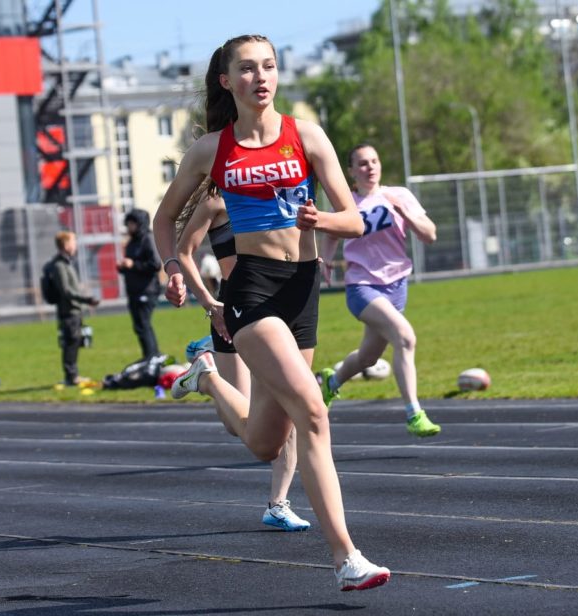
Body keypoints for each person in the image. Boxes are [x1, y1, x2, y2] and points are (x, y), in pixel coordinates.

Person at [152, 34, 389, 591]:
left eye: (270, 66)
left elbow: (353, 220)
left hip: (302, 287)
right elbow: (165, 220)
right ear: (226, 81)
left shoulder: (305, 135)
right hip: (251, 291)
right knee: (313, 408)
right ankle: (346, 558)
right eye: (249, 69)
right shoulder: (212, 150)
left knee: (264, 441)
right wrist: (171, 266)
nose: (262, 77)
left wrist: (321, 222)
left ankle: (208, 377)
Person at [176, 182, 309, 532]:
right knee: (240, 425)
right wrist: (208, 303)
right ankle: (206, 376)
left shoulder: (277, 192)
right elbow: (184, 250)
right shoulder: (215, 200)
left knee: (291, 403)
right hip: (235, 307)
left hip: (279, 305)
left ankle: (278, 504)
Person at [317, 143, 441, 437]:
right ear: (351, 172)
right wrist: (325, 260)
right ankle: (414, 413)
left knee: (367, 358)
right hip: (362, 287)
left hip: (397, 286)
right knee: (406, 338)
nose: (369, 167)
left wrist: (403, 213)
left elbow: (430, 235)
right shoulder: (348, 203)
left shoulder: (399, 195)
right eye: (362, 163)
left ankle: (331, 383)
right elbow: (333, 231)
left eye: (374, 161)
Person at [47, 231, 99, 386]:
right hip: (68, 311)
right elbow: (66, 291)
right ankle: (71, 377)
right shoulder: (59, 265)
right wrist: (86, 299)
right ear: (66, 245)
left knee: (75, 342)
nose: (75, 245)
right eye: (73, 242)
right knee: (70, 343)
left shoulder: (67, 262)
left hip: (74, 310)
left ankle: (73, 375)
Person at [117, 209, 162, 360]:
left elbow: (155, 264)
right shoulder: (132, 242)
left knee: (144, 324)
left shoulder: (147, 239)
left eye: (132, 223)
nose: (129, 227)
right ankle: (149, 356)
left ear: (140, 224)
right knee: (139, 326)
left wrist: (133, 264)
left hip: (146, 290)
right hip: (134, 290)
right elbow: (132, 266)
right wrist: (123, 267)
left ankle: (152, 356)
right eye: (128, 223)